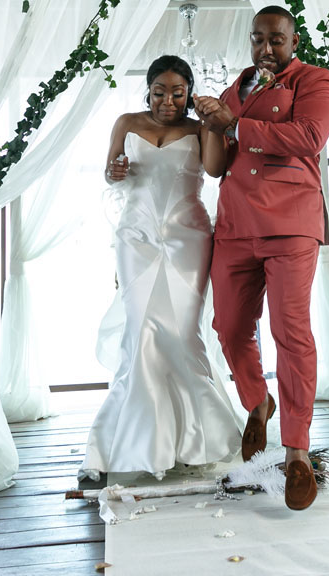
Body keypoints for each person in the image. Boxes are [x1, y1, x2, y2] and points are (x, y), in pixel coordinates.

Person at [192, 5, 329, 510]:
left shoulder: (315, 80)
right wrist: (212, 121)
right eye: (258, 39)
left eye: (276, 40)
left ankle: (296, 450)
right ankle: (258, 401)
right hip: (234, 226)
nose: (266, 49)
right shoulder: (239, 85)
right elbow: (217, 166)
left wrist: (237, 124)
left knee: (289, 332)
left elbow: (310, 139)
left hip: (290, 223)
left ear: (293, 41)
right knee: (228, 327)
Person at [81, 55, 241, 481]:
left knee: (183, 333)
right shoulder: (126, 122)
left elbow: (215, 169)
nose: (167, 100)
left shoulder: (196, 128)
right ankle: (135, 442)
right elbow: (112, 173)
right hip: (135, 238)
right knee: (142, 330)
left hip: (188, 238)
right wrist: (115, 171)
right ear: (147, 90)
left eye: (177, 92)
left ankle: (197, 437)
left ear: (188, 93)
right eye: (159, 91)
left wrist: (213, 124)